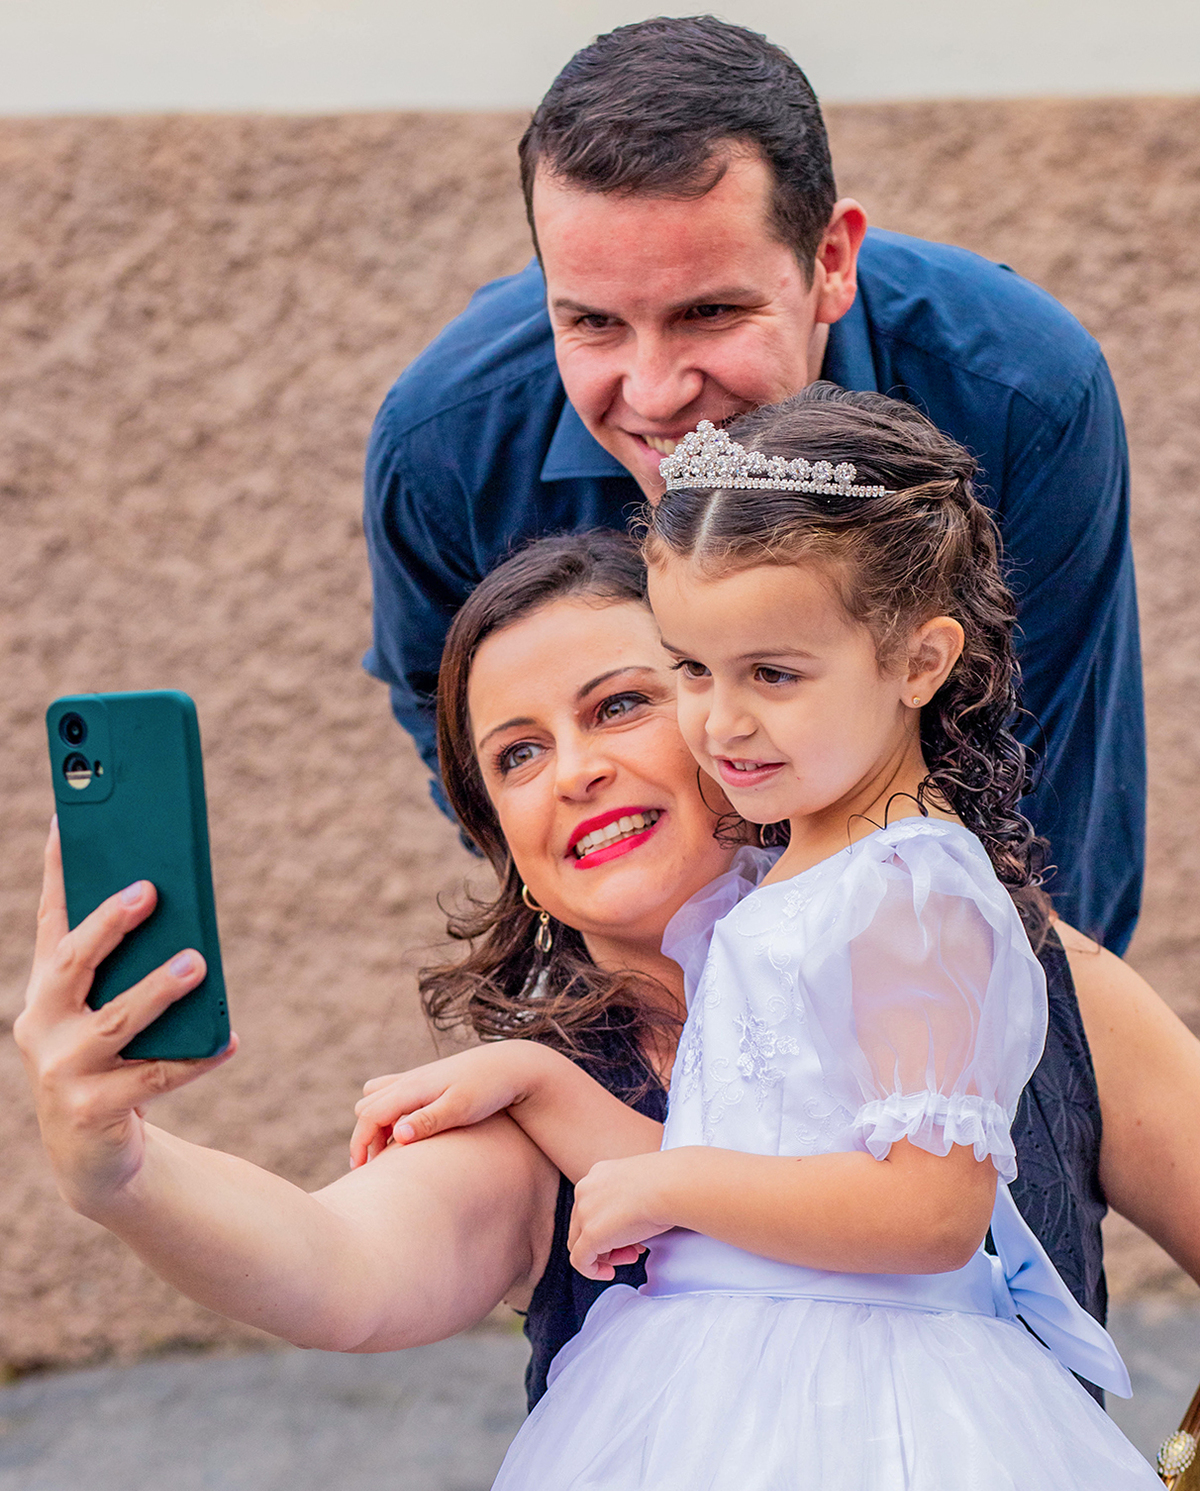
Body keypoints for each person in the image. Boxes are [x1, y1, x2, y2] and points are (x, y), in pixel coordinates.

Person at [353, 389, 1199, 1491]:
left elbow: (929, 1210)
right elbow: (765, 1157)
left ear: (919, 660)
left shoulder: (913, 894)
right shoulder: (791, 878)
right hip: (725, 1422)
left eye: (774, 673)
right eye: (692, 671)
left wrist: (673, 1183)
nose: (723, 720)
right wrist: (541, 1086)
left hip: (882, 1426)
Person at [14, 533, 1200, 1413]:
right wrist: (122, 1168)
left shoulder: (1012, 959)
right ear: (513, 858)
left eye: (622, 703)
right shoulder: (534, 1104)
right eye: (518, 755)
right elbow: (339, 1266)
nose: (574, 769)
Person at [362, 13, 1144, 953]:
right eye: (594, 323)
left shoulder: (1023, 392)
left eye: (709, 312)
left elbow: (1048, 799)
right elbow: (457, 720)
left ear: (831, 261)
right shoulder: (441, 446)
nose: (655, 393)